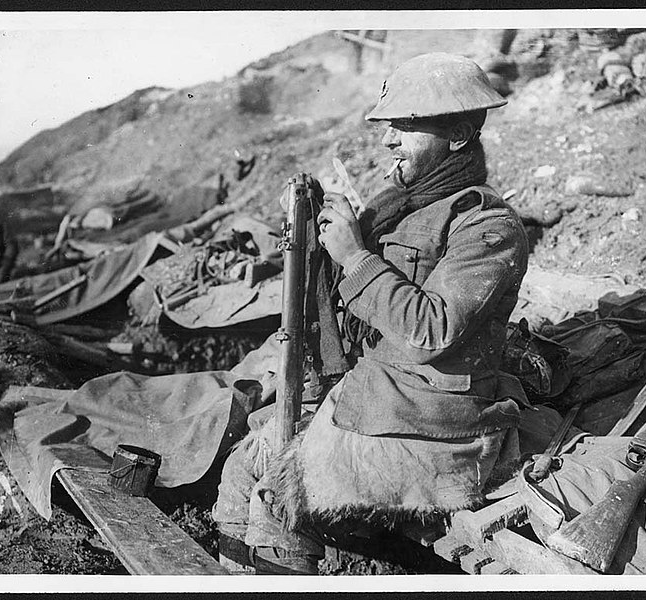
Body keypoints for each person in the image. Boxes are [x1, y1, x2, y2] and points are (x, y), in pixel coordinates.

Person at [212, 53, 530, 575]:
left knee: (279, 500)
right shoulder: (401, 206)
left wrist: (356, 258)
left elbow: (432, 331)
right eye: (389, 126)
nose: (387, 140)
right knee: (241, 471)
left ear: (458, 135)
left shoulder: (487, 226)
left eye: (404, 126)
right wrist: (339, 235)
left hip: (430, 420)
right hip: (375, 394)